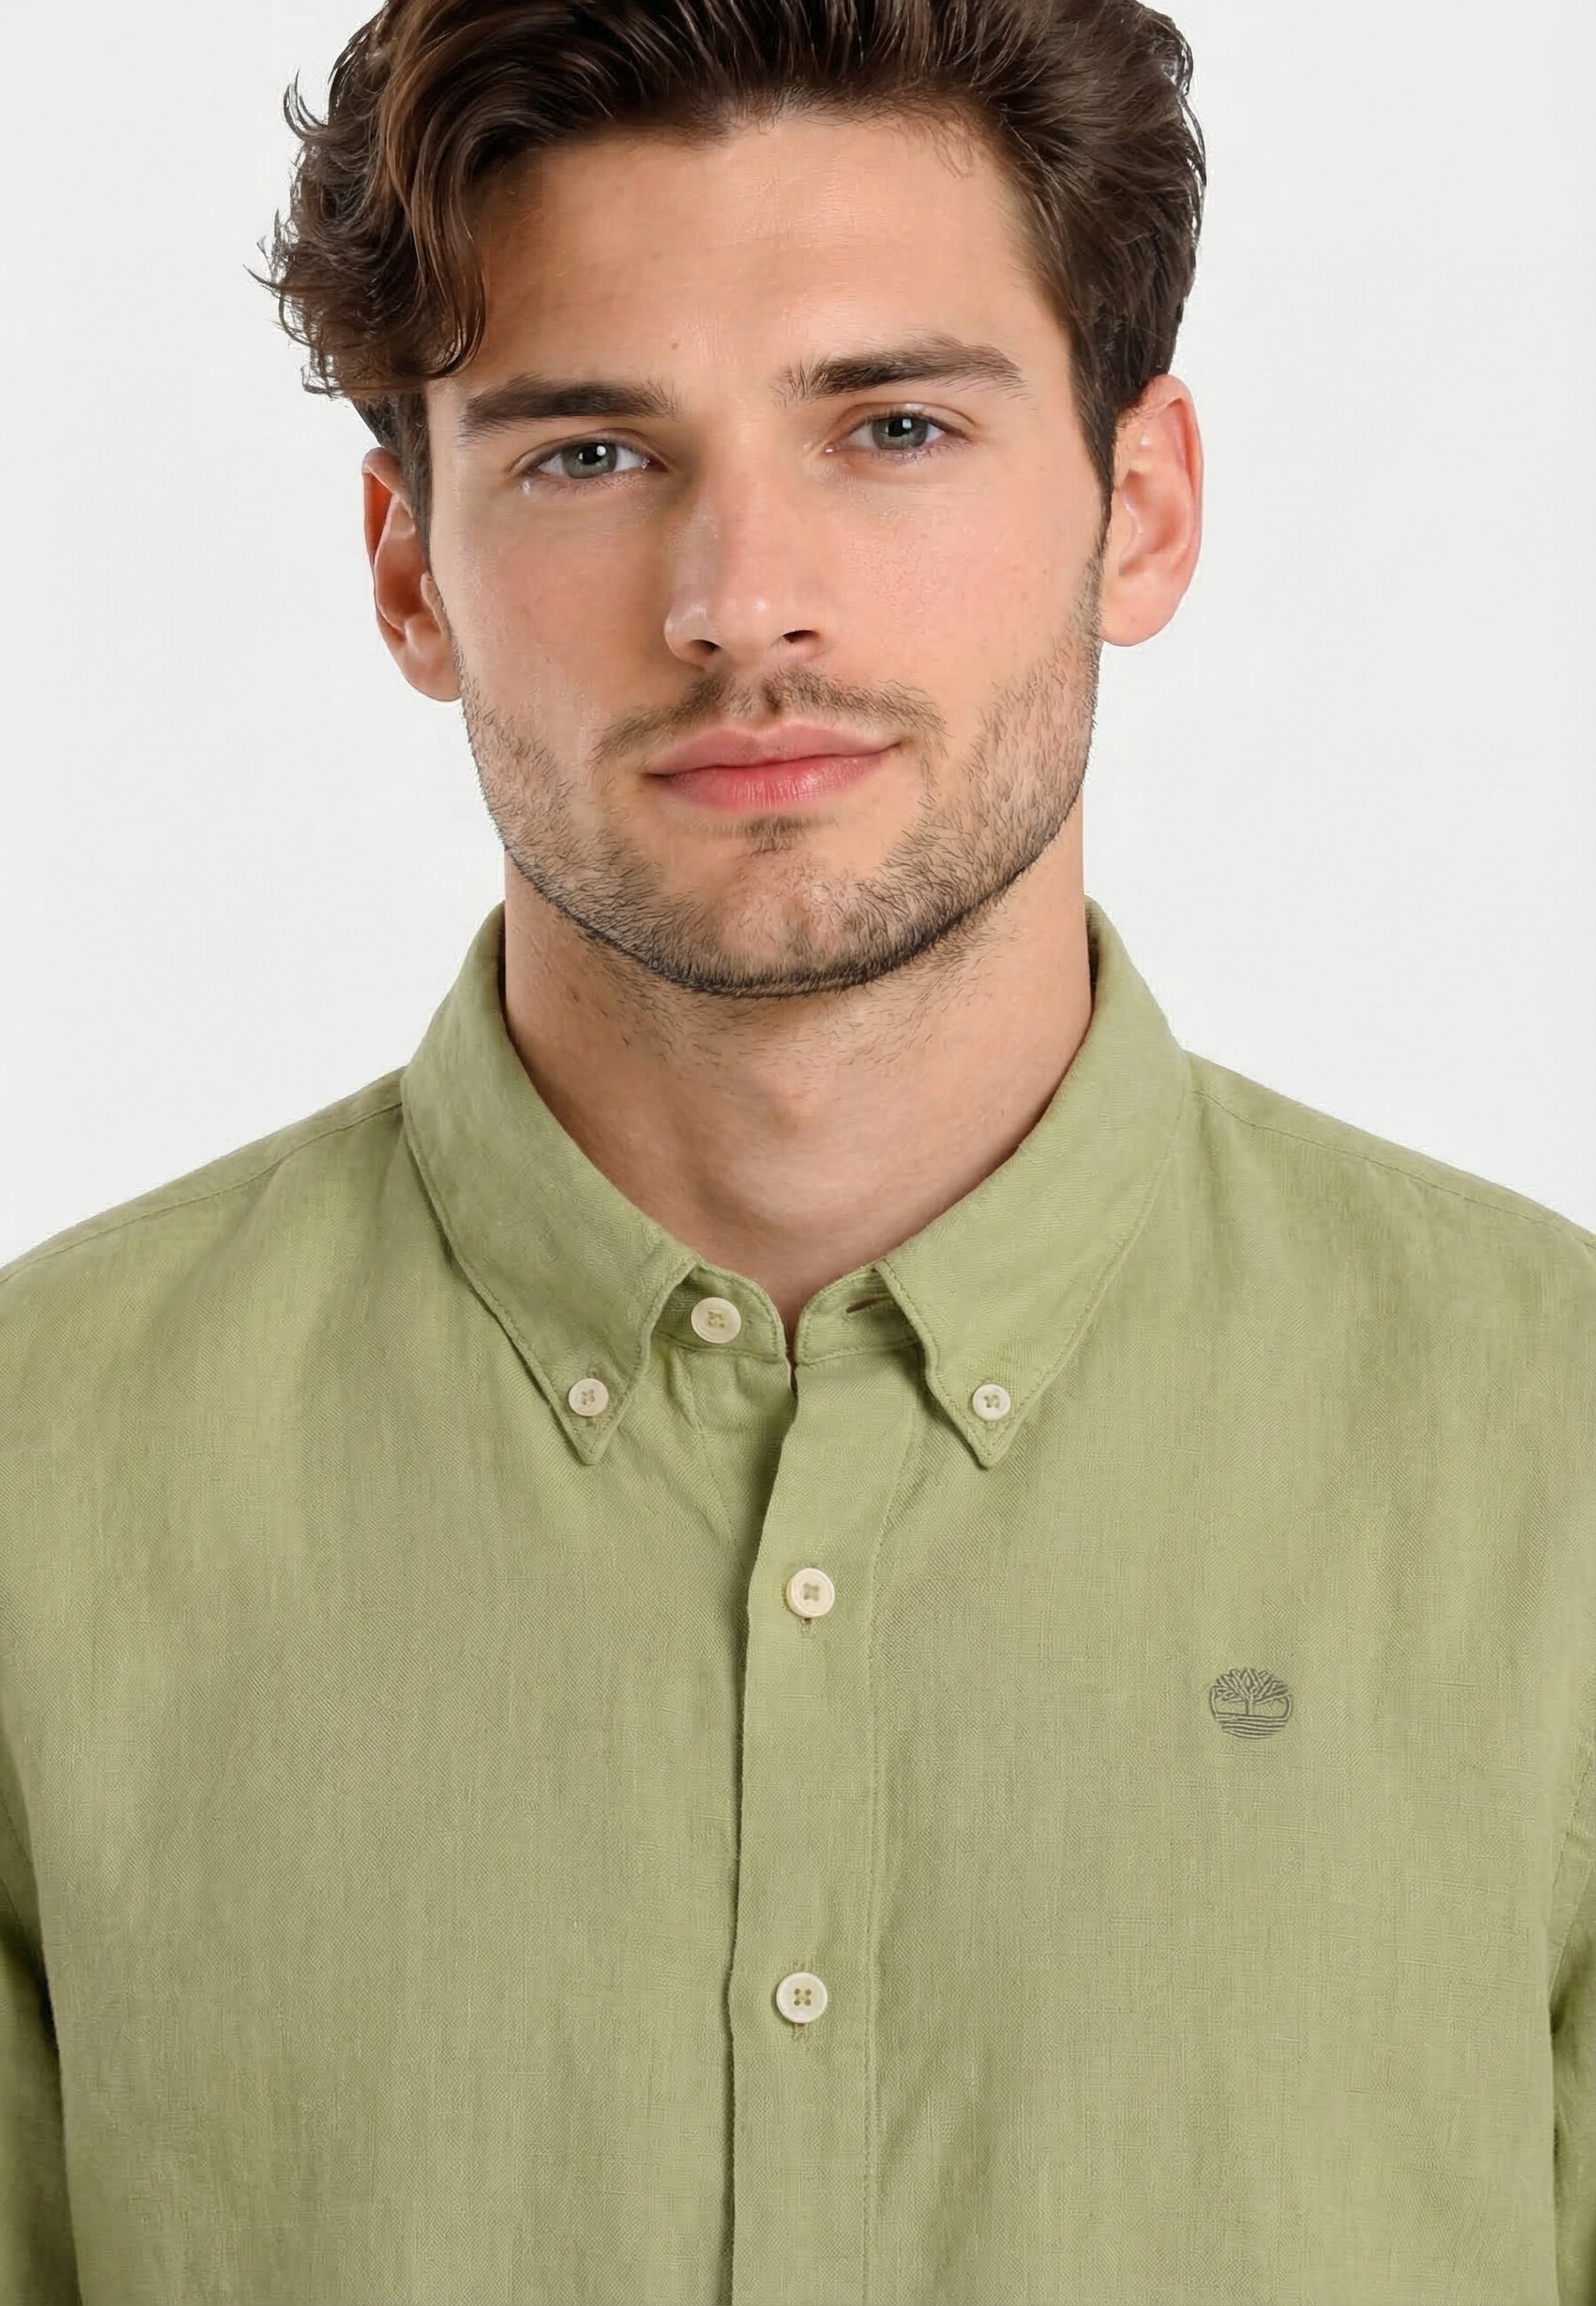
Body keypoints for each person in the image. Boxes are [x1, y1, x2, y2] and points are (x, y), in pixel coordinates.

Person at [2, 1, 1590, 2299]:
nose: (743, 598)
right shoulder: (42, 1489)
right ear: (410, 571)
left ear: (1142, 507)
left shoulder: (1555, 1457)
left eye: (895, 426)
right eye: (588, 453)